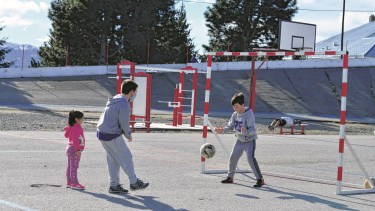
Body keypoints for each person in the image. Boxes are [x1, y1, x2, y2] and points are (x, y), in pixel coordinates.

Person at [97, 79, 149, 194]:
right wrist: (128, 135)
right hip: (111, 134)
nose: (135, 94)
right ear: (131, 91)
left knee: (113, 159)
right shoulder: (124, 104)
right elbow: (124, 123)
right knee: (126, 156)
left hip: (101, 132)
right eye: (135, 92)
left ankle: (114, 185)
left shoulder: (115, 99)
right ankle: (134, 182)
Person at [214, 92, 264, 188]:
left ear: (242, 105)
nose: (235, 109)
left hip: (249, 141)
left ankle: (259, 179)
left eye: (236, 106)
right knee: (233, 158)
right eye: (233, 107)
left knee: (250, 159)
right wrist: (222, 130)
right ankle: (230, 177)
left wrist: (246, 131)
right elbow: (230, 125)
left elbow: (253, 130)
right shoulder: (235, 114)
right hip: (239, 140)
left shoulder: (249, 114)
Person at [64, 110, 86, 190]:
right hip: (74, 149)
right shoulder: (76, 128)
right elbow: (76, 139)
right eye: (82, 118)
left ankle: (69, 182)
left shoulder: (72, 127)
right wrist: (78, 150)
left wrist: (68, 128)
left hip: (69, 148)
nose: (83, 120)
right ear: (77, 119)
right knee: (74, 167)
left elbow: (66, 135)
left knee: (70, 166)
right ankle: (74, 183)